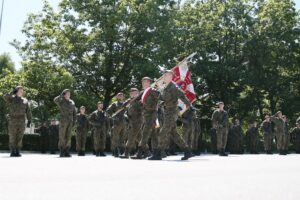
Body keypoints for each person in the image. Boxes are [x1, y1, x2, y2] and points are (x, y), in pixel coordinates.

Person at [149, 70, 193, 161]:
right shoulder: (165, 87)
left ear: (171, 77)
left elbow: (182, 96)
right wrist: (154, 91)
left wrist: (188, 105)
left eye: (167, 75)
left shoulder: (174, 87)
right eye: (164, 75)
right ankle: (187, 151)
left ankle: (158, 154)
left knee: (163, 132)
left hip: (172, 112)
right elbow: (162, 98)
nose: (165, 77)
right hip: (167, 112)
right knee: (174, 134)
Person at [131, 77, 160, 159]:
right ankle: (158, 154)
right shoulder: (143, 92)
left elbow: (160, 99)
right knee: (153, 134)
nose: (144, 83)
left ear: (150, 83)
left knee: (144, 134)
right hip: (145, 116)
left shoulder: (153, 91)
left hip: (151, 115)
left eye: (147, 82)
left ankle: (139, 153)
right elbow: (138, 102)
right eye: (143, 82)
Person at [3, 86, 32, 157]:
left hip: (22, 121)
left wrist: (29, 120)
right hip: (13, 121)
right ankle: (12, 151)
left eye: (22, 91)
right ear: (16, 91)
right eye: (19, 91)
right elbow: (5, 97)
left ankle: (18, 151)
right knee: (12, 136)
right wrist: (12, 92)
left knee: (20, 137)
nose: (21, 92)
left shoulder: (25, 100)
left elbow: (28, 111)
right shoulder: (11, 99)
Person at [120, 88, 143, 158]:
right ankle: (147, 152)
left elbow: (142, 111)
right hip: (131, 122)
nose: (133, 94)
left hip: (137, 121)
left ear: (138, 93)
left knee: (131, 137)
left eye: (135, 93)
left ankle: (126, 153)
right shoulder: (130, 102)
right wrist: (126, 115)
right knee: (140, 138)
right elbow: (125, 109)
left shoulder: (140, 101)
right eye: (131, 93)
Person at [54, 89, 76, 157]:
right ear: (64, 94)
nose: (68, 94)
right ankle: (61, 151)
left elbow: (74, 113)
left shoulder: (72, 102)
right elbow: (55, 100)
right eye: (67, 93)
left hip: (70, 121)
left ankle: (67, 151)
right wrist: (61, 95)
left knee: (68, 137)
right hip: (63, 121)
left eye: (69, 93)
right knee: (62, 136)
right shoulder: (61, 101)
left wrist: (74, 122)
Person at [107, 93, 126, 157]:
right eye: (119, 95)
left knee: (123, 138)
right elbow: (107, 112)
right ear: (117, 97)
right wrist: (113, 117)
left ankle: (122, 152)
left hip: (125, 123)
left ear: (124, 97)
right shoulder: (114, 104)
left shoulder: (126, 103)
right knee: (115, 138)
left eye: (122, 95)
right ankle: (115, 152)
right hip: (117, 123)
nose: (120, 96)